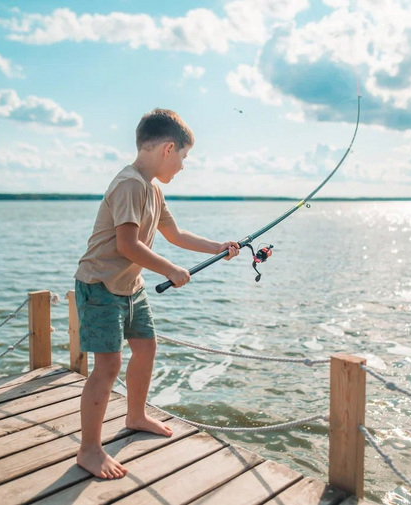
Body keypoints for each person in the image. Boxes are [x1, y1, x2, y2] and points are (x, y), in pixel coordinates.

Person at [73, 108, 239, 479]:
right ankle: (89, 450)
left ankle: (135, 414)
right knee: (108, 365)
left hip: (130, 286)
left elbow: (176, 235)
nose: (183, 165)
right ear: (168, 148)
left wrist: (217, 247)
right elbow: (128, 245)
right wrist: (170, 269)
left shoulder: (153, 189)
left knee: (146, 347)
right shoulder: (130, 184)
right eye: (183, 156)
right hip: (100, 285)